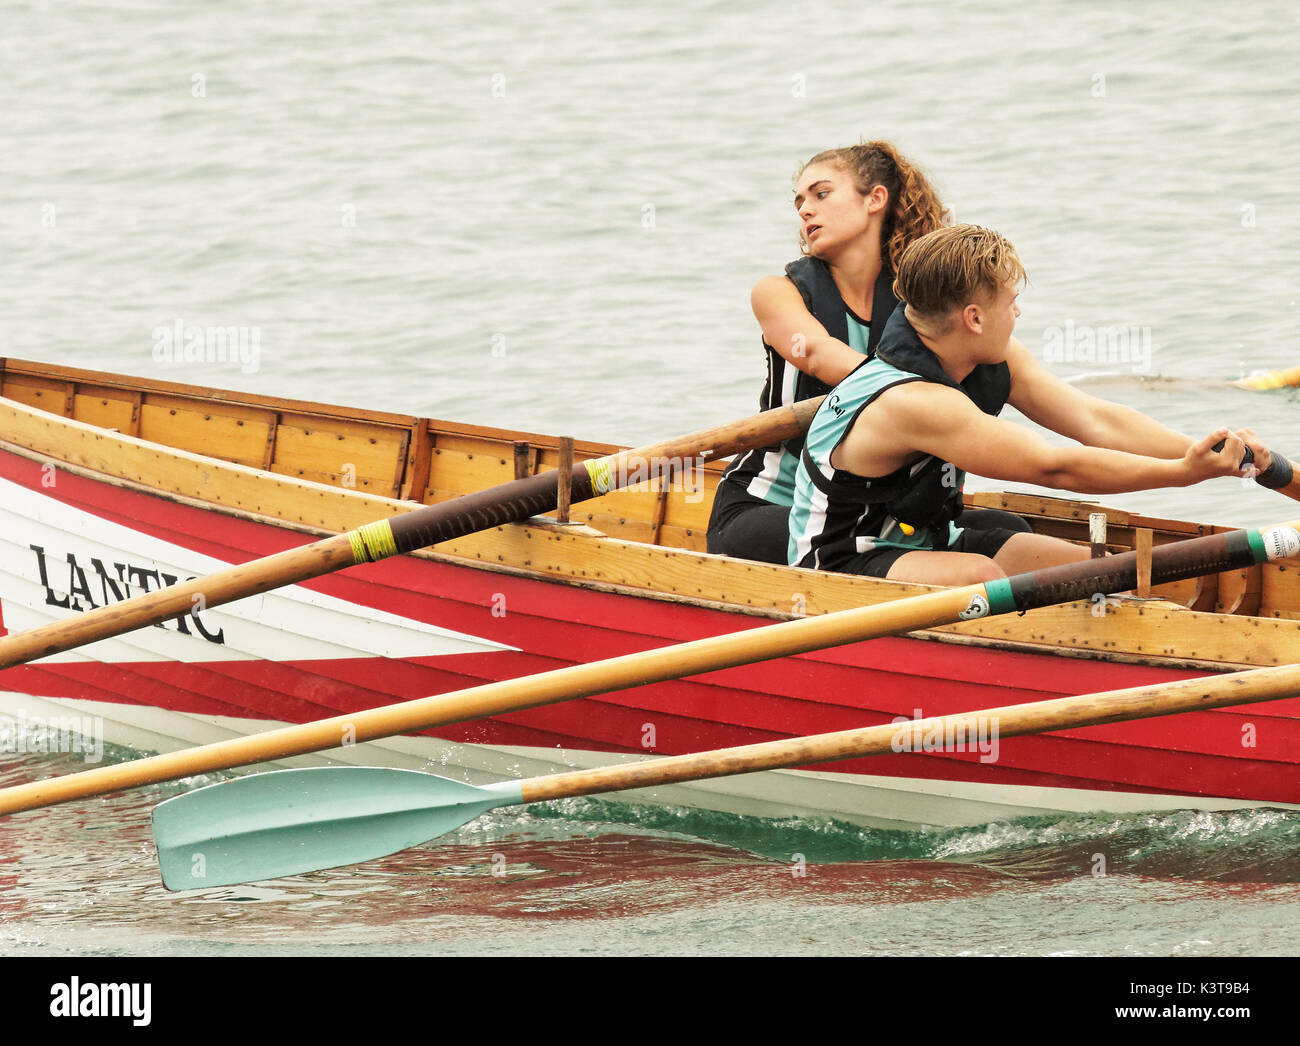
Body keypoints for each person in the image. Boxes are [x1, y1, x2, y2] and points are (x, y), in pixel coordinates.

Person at [788, 224, 1274, 584]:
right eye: (1011, 302)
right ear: (974, 318)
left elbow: (1094, 420)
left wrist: (1205, 451)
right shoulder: (914, 402)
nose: (1017, 313)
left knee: (1101, 578)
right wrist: (1183, 474)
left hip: (929, 534)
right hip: (839, 559)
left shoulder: (981, 355)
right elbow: (1053, 468)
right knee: (978, 577)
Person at [706, 142, 1031, 564]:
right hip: (769, 503)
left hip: (873, 513)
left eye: (821, 194)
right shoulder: (778, 292)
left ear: (876, 198)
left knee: (1016, 531)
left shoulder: (919, 299)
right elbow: (819, 354)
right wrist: (917, 404)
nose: (805, 210)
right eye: (799, 201)